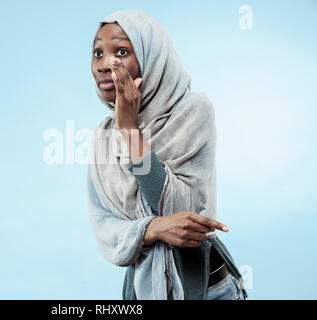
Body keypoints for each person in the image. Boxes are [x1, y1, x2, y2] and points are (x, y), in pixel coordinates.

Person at [87, 9, 247, 300]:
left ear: (152, 57)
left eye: (121, 51)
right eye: (97, 53)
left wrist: (131, 132)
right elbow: (105, 230)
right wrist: (154, 228)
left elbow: (179, 209)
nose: (104, 64)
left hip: (206, 287)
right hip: (139, 290)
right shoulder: (102, 138)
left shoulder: (192, 111)